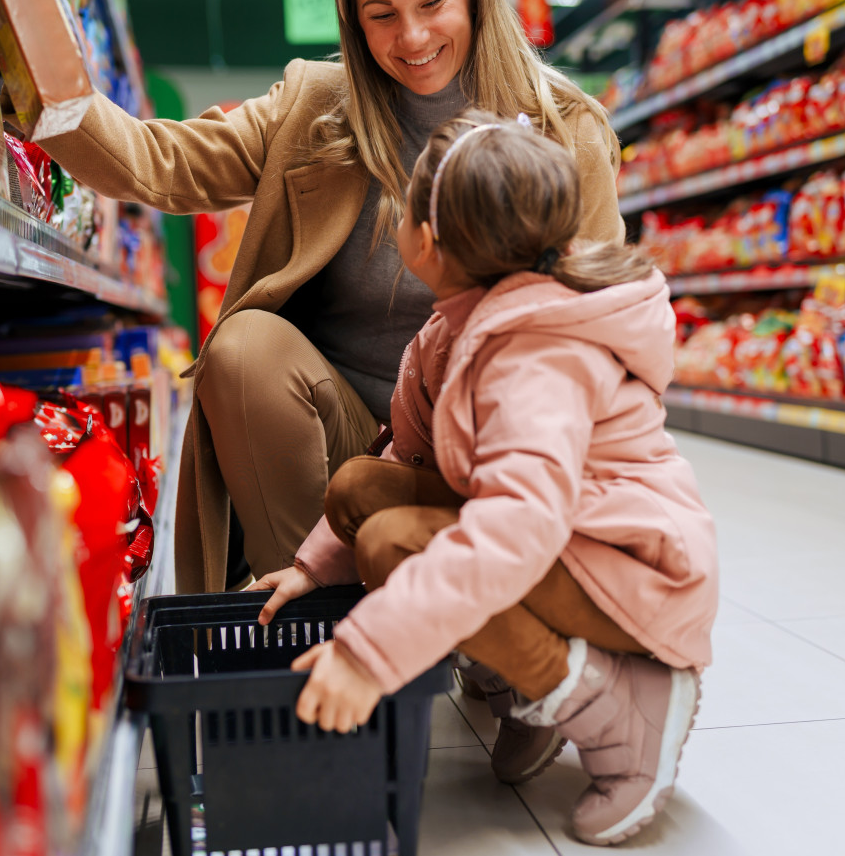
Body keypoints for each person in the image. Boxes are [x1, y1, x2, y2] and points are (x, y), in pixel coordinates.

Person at [32, 0, 624, 593]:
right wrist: (36, 75)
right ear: (353, 24)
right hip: (348, 436)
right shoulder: (314, 108)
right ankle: (308, 616)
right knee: (243, 346)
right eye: (382, 16)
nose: (411, 37)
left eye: (432, 3)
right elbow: (162, 164)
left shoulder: (566, 131)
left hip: (488, 443)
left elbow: (599, 328)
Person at [251, 111, 718, 846]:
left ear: (427, 241)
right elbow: (407, 461)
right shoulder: (456, 327)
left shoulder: (533, 354)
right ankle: (524, 686)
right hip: (574, 541)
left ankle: (625, 708)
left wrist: (366, 653)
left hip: (634, 570)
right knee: (361, 491)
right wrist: (312, 569)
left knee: (399, 543)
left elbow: (514, 529)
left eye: (402, 202)